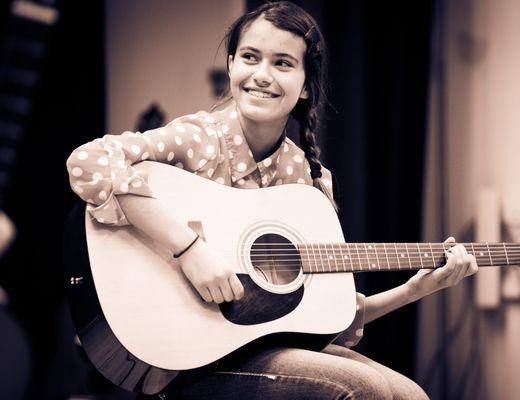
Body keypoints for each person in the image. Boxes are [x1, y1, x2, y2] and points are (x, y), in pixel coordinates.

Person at [66, 2, 478, 399]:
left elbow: (327, 318)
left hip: (258, 348)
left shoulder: (307, 181)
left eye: (282, 63)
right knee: (364, 389)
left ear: (305, 86)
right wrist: (189, 249)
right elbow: (89, 161)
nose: (261, 74)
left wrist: (414, 289)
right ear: (230, 66)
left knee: (410, 395)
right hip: (184, 357)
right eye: (249, 57)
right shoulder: (199, 137)